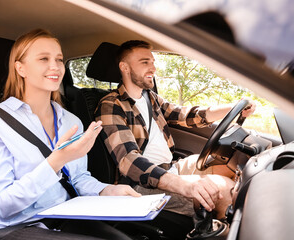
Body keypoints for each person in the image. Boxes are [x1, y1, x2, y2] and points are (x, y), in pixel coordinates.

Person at [0, 29, 141, 240]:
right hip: (9, 227)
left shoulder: (71, 121)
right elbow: (3, 205)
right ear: (20, 68)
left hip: (62, 217)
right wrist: (57, 160)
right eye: (43, 58)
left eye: (59, 59)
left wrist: (108, 190)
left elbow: (77, 178)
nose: (55, 67)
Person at [94, 40, 256, 220]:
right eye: (145, 62)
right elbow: (128, 160)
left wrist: (234, 107)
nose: (153, 68)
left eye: (153, 62)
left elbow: (186, 115)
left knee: (231, 169)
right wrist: (182, 185)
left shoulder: (151, 98)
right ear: (124, 67)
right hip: (141, 185)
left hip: (171, 168)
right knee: (224, 191)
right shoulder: (110, 105)